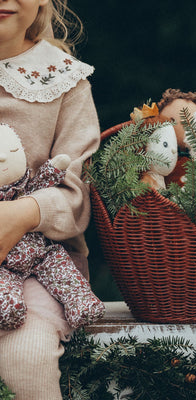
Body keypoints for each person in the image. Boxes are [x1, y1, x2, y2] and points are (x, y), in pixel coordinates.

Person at [0, 0, 101, 398]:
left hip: (39, 268)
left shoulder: (64, 82)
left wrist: (23, 214)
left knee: (25, 353)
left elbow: (76, 193)